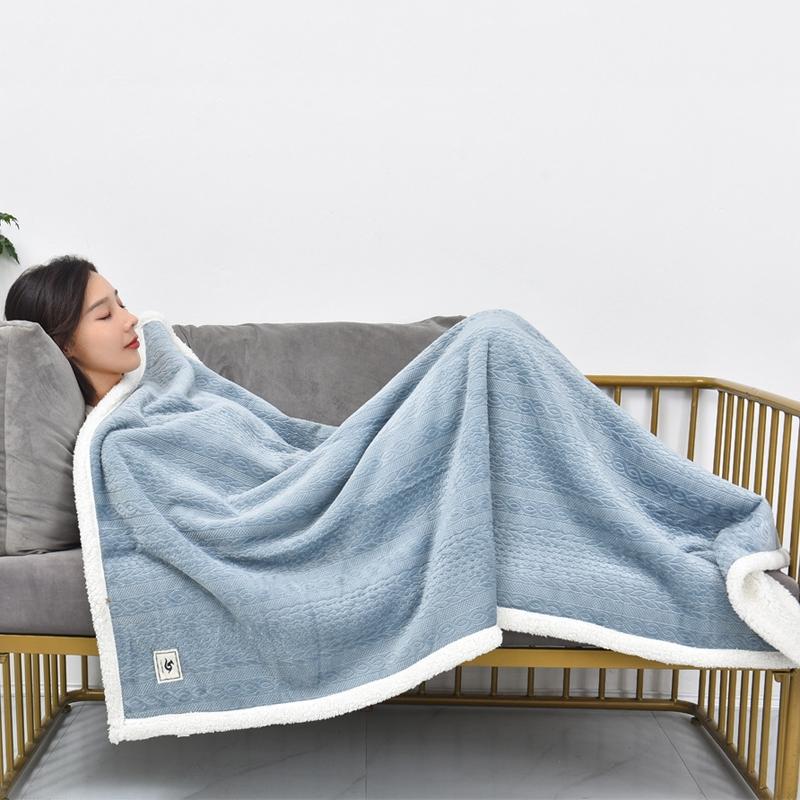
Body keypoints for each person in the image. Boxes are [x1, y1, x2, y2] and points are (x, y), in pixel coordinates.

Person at [3, 255, 140, 409]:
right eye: (105, 315)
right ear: (64, 344)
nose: (132, 319)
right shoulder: (121, 422)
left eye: (121, 305)